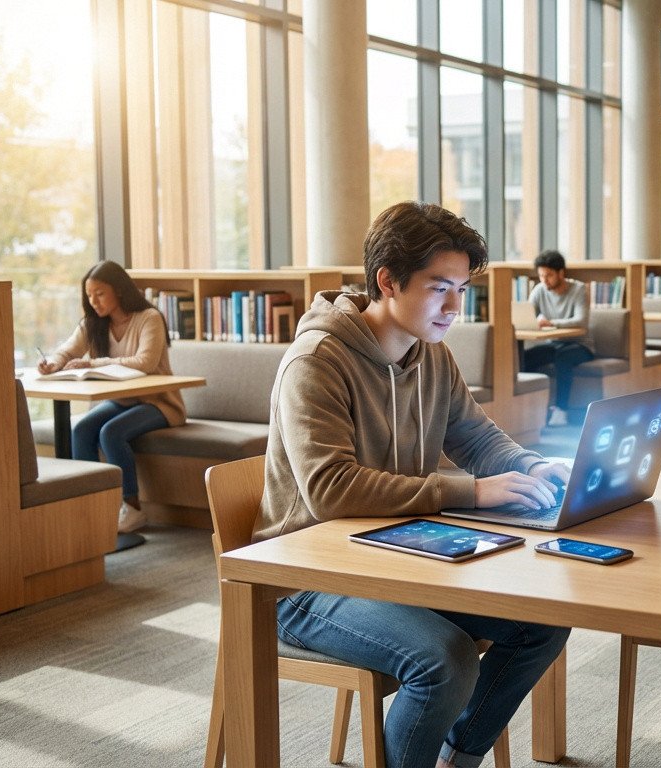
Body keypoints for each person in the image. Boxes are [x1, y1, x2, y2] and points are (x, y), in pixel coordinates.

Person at [254, 201, 570, 768]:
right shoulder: (316, 361)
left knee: (541, 620)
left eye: (461, 290)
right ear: (388, 281)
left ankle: (454, 759)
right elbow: (330, 490)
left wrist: (529, 466)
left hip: (399, 555)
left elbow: (475, 437)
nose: (455, 307)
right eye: (439, 288)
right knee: (444, 661)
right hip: (305, 579)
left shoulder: (432, 355)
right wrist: (467, 492)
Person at [39, 261, 184, 534]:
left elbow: (146, 362)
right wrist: (53, 363)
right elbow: (67, 351)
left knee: (111, 433)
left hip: (158, 403)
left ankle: (132, 508)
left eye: (100, 294)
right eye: (89, 295)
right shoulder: (93, 323)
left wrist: (93, 363)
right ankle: (93, 505)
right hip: (120, 401)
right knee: (81, 430)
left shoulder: (149, 318)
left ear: (118, 290)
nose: (93, 301)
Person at [521, 249, 593, 427]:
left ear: (561, 273)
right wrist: (534, 320)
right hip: (554, 343)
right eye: (541, 276)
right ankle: (530, 411)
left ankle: (561, 411)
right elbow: (527, 315)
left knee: (563, 357)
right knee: (524, 359)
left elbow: (581, 321)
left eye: (549, 275)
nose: (544, 280)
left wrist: (551, 323)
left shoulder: (579, 289)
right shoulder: (539, 290)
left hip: (581, 345)